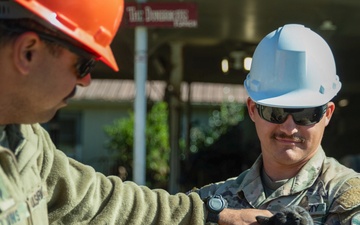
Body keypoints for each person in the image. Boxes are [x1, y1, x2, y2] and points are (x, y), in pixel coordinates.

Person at [0, 0, 270, 224]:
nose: (86, 81)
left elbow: (99, 200)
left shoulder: (25, 141)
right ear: (27, 53)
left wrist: (206, 215)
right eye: (83, 65)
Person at [193, 24, 360, 225]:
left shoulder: (350, 200)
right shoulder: (211, 204)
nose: (289, 128)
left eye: (306, 114)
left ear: (327, 114)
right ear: (253, 110)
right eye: (275, 112)